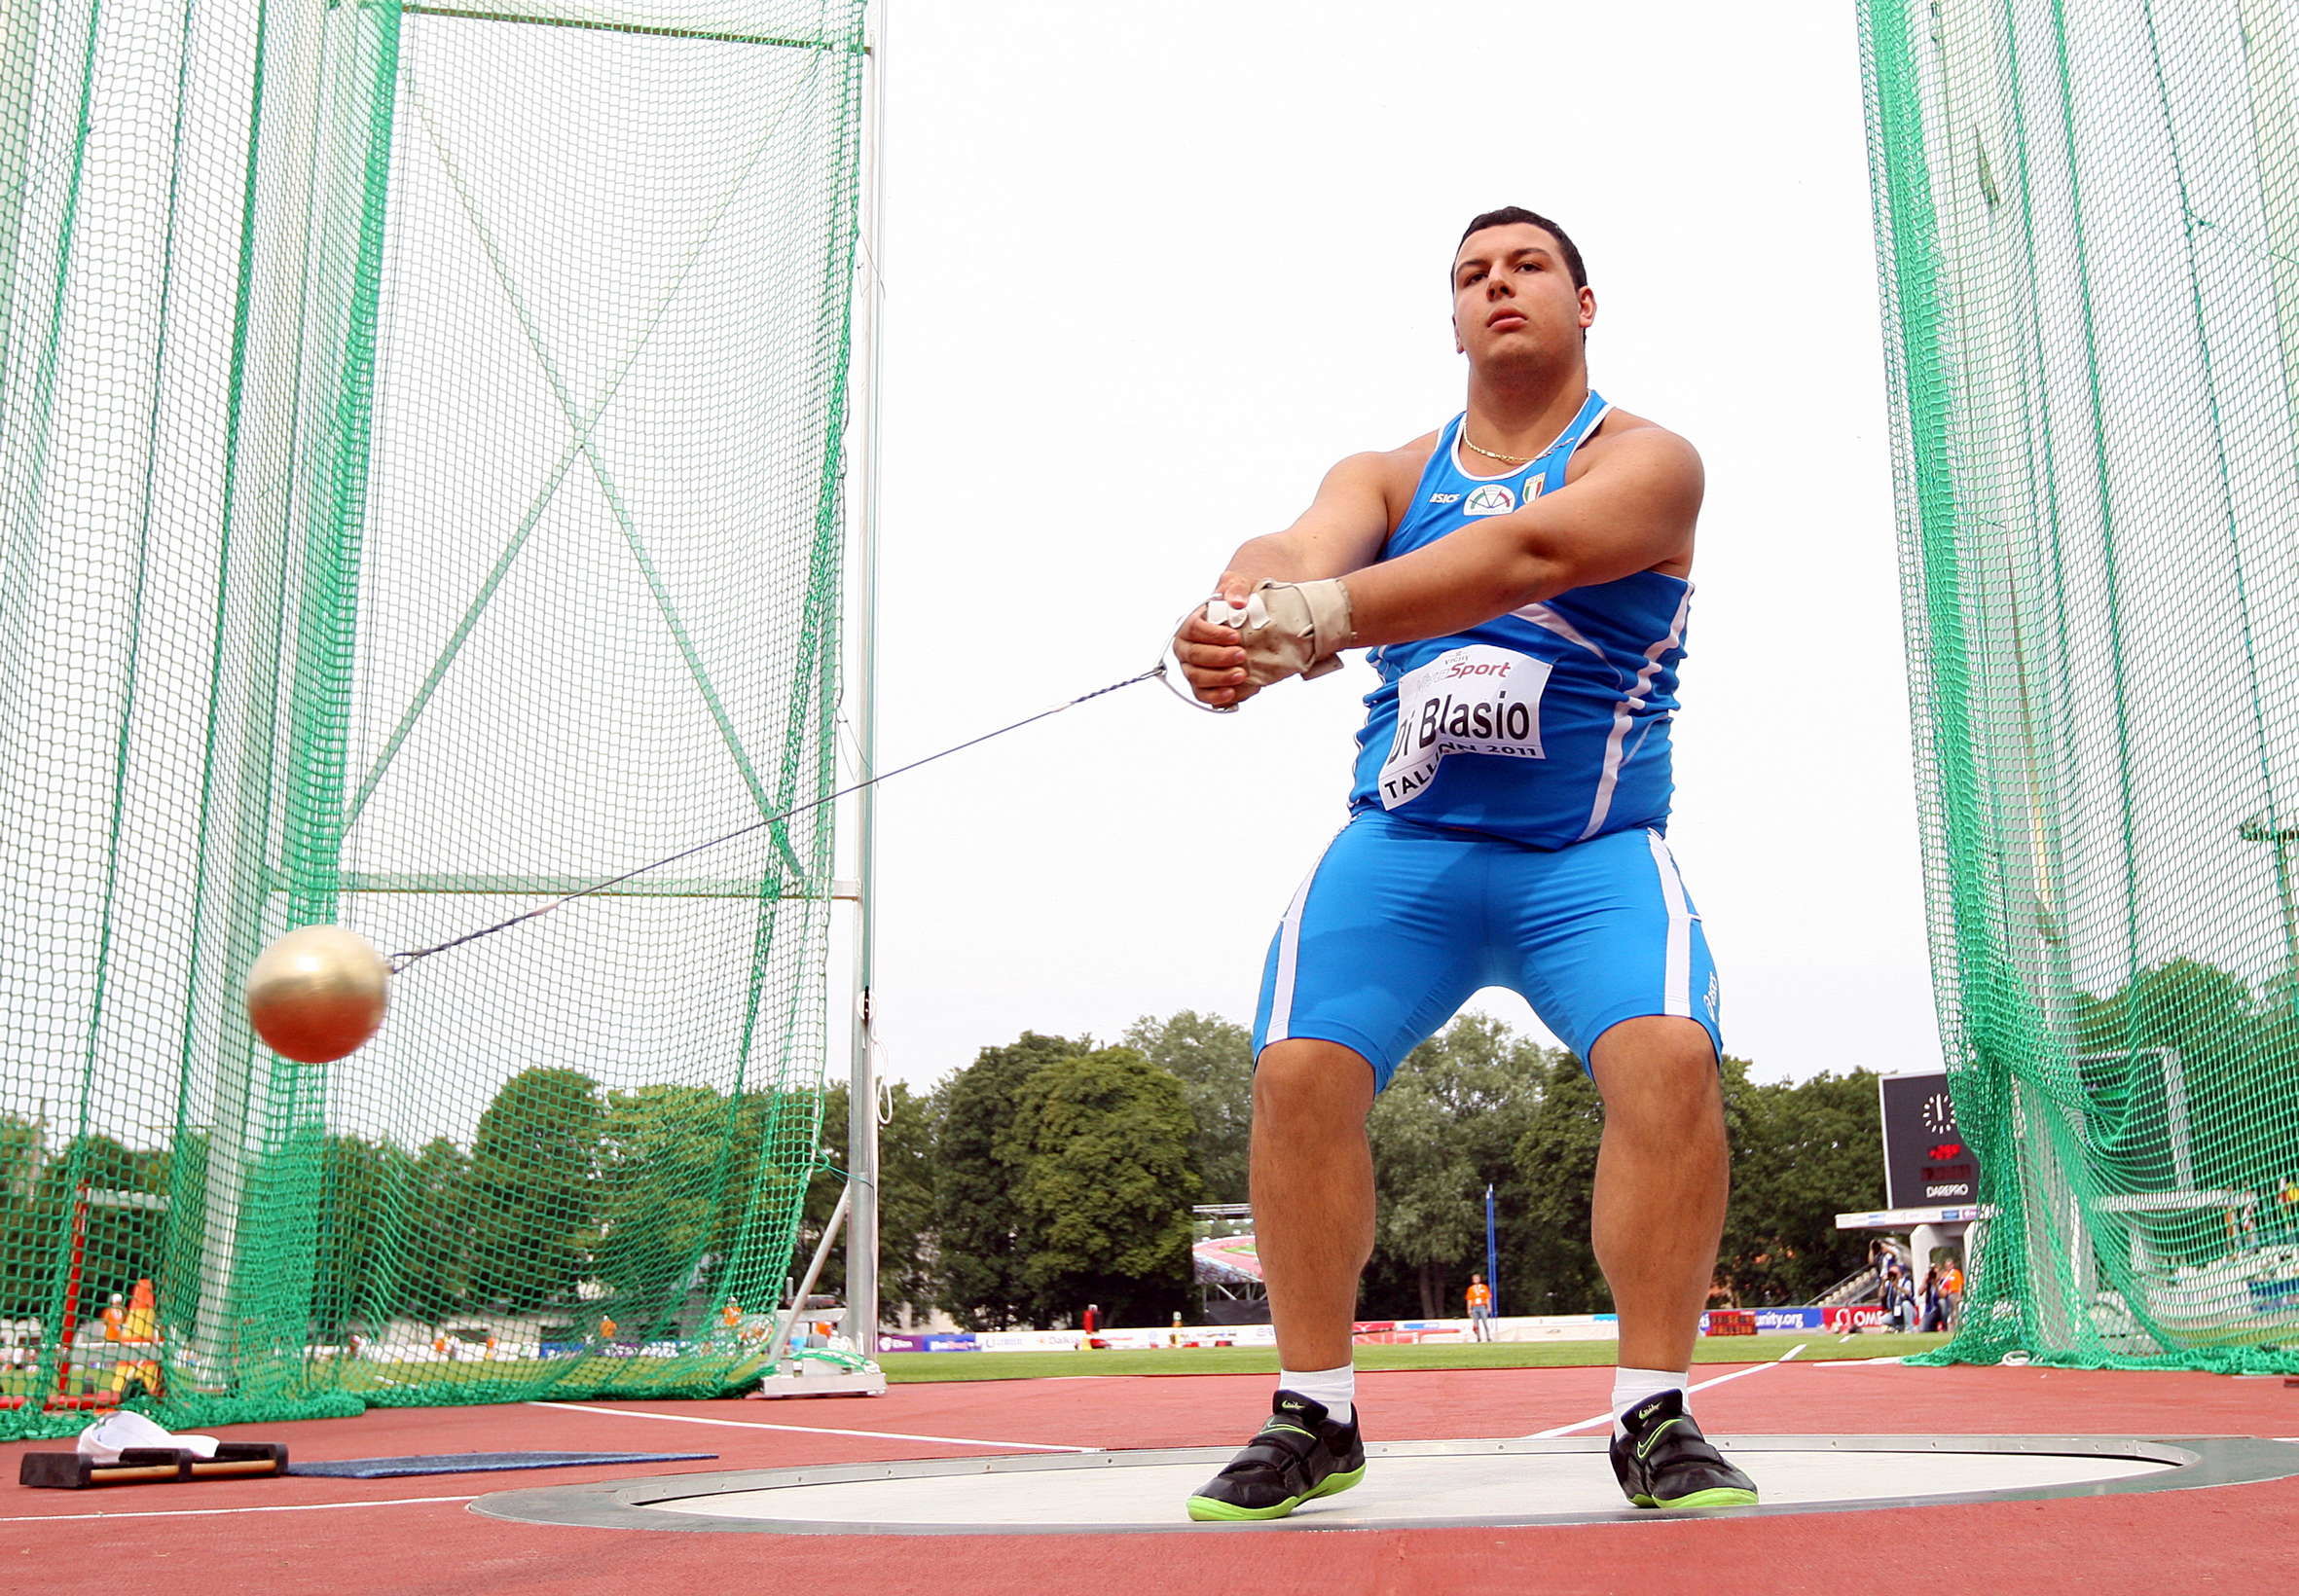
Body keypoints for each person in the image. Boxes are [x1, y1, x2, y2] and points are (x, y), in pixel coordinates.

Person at [1176, 207, 1754, 1522]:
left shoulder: (1650, 460)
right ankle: (1313, 1413)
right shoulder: (1388, 474)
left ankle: (1655, 1414)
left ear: (1583, 304)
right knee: (1295, 1070)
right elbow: (1295, 547)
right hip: (1407, 849)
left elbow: (1525, 554)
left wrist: (1321, 616)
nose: (1498, 285)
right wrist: (1234, 606)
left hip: (1587, 855)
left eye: (1527, 266)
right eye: (1471, 274)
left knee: (1669, 1058)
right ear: (1450, 320)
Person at [1466, 1274, 1493, 1342]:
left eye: (1477, 1279)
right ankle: (1478, 1337)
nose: (1476, 1280)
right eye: (1474, 1279)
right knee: (1476, 1323)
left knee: (1485, 1322)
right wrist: (1469, 1309)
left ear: (1480, 1279)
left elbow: (1487, 1298)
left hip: (1482, 1306)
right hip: (1474, 1307)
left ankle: (1488, 1337)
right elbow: (1469, 1300)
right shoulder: (1471, 1289)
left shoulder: (1484, 1287)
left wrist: (1489, 1307)